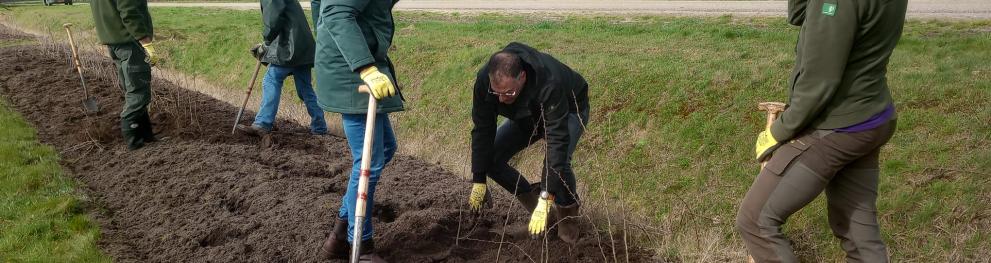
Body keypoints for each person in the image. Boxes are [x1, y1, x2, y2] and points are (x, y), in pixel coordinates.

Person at [736, 0, 907, 262]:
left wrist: (778, 132)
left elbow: (820, 80)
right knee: (859, 238)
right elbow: (799, 14)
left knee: (756, 220)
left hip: (838, 125)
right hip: (871, 117)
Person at [468, 42, 589, 244]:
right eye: (496, 93)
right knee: (491, 158)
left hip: (568, 110)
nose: (501, 99)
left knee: (559, 164)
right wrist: (478, 179)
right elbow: (482, 128)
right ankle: (540, 214)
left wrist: (547, 196)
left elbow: (556, 144)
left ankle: (568, 220)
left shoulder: (549, 81)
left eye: (508, 93)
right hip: (526, 114)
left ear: (522, 77)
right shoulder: (485, 83)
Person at [314, 0, 401, 261]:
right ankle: (360, 246)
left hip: (350, 61)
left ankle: (340, 233)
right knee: (367, 162)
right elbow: (335, 11)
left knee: (385, 148)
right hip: (352, 71)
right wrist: (365, 66)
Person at [236, 0, 326, 136]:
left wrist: (266, 43)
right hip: (302, 45)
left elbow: (273, 18)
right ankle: (320, 128)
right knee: (305, 88)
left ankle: (263, 123)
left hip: (289, 46)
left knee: (271, 80)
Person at [89, 0, 158, 150]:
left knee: (131, 86)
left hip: (114, 40)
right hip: (129, 41)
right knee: (138, 89)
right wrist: (145, 42)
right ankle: (132, 139)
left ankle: (146, 135)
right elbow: (129, 11)